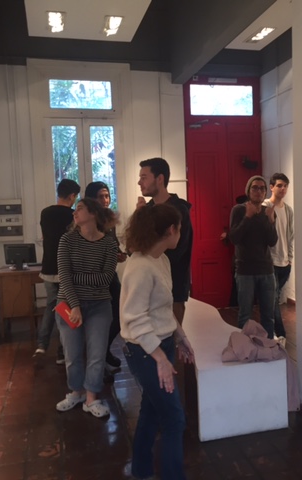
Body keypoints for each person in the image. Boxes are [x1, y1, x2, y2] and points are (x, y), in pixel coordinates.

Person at [120, 203, 195, 480]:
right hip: (144, 351)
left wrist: (180, 337)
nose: (181, 234)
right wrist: (161, 359)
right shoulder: (139, 268)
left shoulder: (161, 260)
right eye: (180, 229)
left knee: (152, 411)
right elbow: (135, 319)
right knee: (174, 419)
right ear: (170, 230)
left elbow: (162, 310)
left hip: (161, 345)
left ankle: (140, 470)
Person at [55, 198, 119, 418]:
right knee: (72, 355)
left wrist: (76, 277)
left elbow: (106, 279)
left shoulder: (109, 243)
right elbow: (64, 277)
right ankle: (76, 392)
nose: (75, 212)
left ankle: (91, 398)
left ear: (93, 213)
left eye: (80, 208)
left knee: (97, 354)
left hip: (100, 306)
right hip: (69, 305)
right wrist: (75, 306)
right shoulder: (67, 240)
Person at [136, 158, 193, 324]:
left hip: (173, 284)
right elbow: (134, 247)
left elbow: (179, 250)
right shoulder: (146, 209)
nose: (139, 182)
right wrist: (139, 218)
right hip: (148, 283)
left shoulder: (179, 210)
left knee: (173, 333)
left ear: (159, 179)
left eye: (144, 177)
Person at [34, 179, 80, 363]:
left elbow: (45, 237)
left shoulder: (45, 213)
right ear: (71, 196)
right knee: (66, 309)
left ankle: (41, 346)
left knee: (51, 306)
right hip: (66, 268)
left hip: (48, 267)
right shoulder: (73, 215)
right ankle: (62, 351)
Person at [84, 181, 128, 379]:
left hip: (110, 276)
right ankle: (97, 364)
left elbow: (113, 244)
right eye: (101, 196)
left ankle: (104, 353)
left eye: (107, 195)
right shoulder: (87, 222)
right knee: (97, 323)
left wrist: (118, 254)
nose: (105, 200)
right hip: (93, 280)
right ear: (92, 199)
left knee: (119, 316)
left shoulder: (109, 219)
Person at [229, 175, 278, 338]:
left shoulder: (268, 211)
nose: (259, 191)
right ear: (248, 190)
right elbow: (234, 238)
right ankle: (244, 348)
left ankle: (268, 347)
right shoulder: (239, 210)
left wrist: (271, 221)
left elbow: (272, 241)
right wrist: (248, 217)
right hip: (245, 271)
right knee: (245, 315)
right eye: (255, 187)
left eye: (262, 188)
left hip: (266, 270)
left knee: (268, 316)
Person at [263, 173, 294, 345]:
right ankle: (279, 333)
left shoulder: (288, 210)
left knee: (273, 297)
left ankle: (270, 331)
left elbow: (290, 235)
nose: (283, 189)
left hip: (284, 262)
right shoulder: (265, 206)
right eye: (280, 185)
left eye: (285, 186)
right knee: (273, 297)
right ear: (272, 187)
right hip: (270, 261)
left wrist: (290, 258)